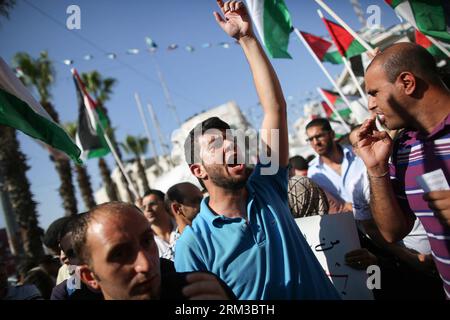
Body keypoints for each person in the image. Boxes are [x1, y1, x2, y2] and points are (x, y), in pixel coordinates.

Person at [174, 0, 339, 300]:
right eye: (214, 143)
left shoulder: (268, 184)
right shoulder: (194, 245)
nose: (230, 143)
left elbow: (274, 108)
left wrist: (246, 39)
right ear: (198, 171)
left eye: (230, 137)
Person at [355, 42, 450, 298]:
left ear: (407, 82)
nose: (371, 105)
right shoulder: (403, 147)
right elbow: (392, 231)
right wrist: (376, 169)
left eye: (374, 92)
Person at [71, 202, 235, 300]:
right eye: (120, 254)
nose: (145, 264)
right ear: (89, 276)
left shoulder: (203, 290)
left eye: (147, 241)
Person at [306, 118, 363, 217]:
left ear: (332, 134)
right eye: (311, 139)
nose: (315, 142)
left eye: (319, 136)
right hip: (349, 227)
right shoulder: (313, 173)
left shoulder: (357, 154)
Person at [139, 189, 178, 261]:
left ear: (165, 204)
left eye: (152, 204)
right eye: (144, 207)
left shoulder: (182, 226)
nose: (148, 209)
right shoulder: (145, 242)